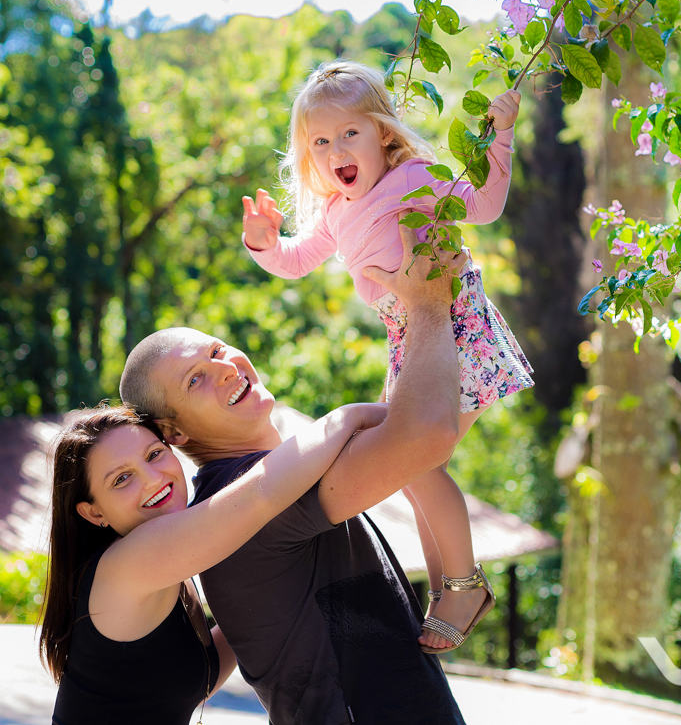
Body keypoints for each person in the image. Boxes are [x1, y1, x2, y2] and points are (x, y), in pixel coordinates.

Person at [118, 225, 467, 724]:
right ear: (173, 433)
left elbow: (420, 457)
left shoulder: (282, 475)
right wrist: (427, 302)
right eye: (195, 378)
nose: (224, 368)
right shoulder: (247, 498)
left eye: (216, 350)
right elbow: (428, 433)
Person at [240, 59, 533, 653]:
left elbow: (482, 206)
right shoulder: (335, 211)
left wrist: (501, 136)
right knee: (410, 468)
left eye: (350, 132)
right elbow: (296, 261)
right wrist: (263, 242)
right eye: (320, 141)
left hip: (454, 325)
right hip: (409, 337)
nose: (335, 149)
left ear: (384, 134)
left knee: (417, 463)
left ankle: (462, 586)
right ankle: (448, 592)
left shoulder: (415, 177)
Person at [40, 401, 383, 725]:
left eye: (155, 454)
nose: (152, 479)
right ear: (94, 511)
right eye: (121, 479)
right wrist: (349, 418)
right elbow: (259, 496)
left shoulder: (167, 574)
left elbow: (196, 674)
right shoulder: (129, 564)